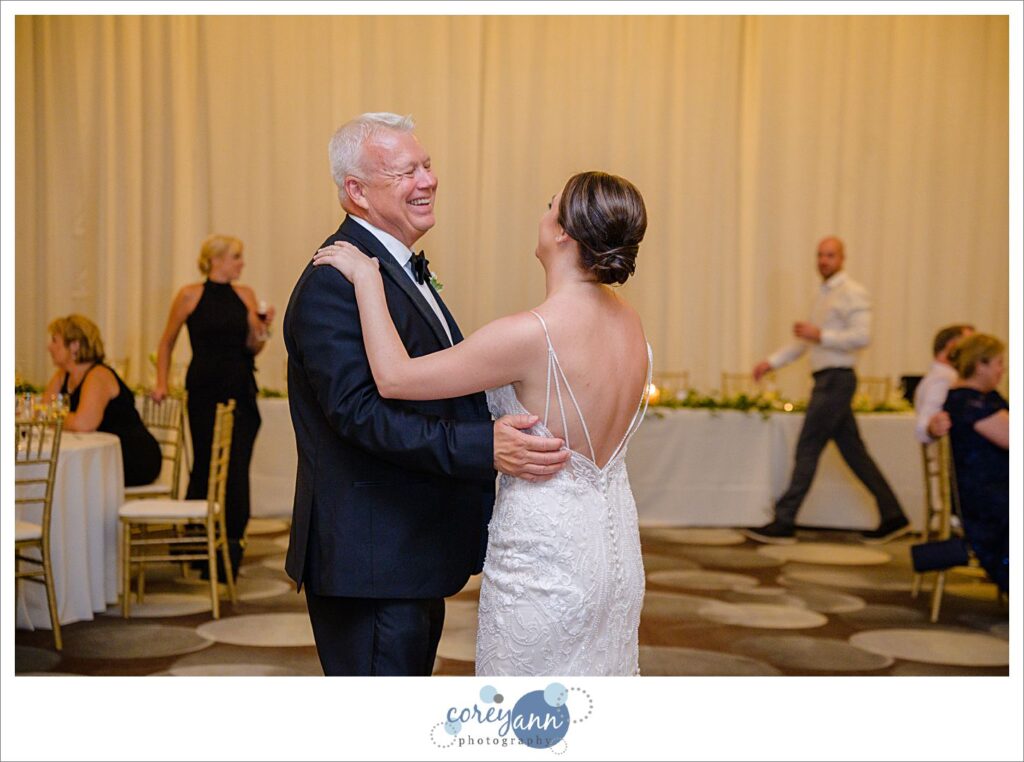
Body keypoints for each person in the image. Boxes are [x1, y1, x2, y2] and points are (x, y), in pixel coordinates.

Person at [314, 168, 651, 676]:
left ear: (562, 232)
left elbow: (394, 378)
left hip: (544, 556)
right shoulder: (628, 319)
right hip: (612, 547)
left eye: (548, 204)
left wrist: (367, 278)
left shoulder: (528, 334)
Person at [283, 112, 576, 677]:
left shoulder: (388, 269)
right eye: (405, 172)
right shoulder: (333, 281)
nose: (428, 180)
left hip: (403, 551)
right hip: (372, 559)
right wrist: (480, 446)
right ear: (357, 192)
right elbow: (359, 415)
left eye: (428, 165)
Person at [744, 236, 910, 545]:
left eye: (830, 255)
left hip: (837, 380)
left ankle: (785, 520)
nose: (824, 260)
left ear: (842, 258)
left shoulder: (852, 293)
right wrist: (771, 363)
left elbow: (862, 337)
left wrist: (821, 334)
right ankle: (894, 516)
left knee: (808, 447)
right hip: (828, 380)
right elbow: (805, 343)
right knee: (855, 454)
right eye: (820, 255)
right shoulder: (822, 296)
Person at [153, 234, 273, 576]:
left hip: (240, 387)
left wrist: (263, 330)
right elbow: (166, 344)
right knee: (206, 463)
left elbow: (253, 347)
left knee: (236, 468)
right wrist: (161, 382)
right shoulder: (189, 295)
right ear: (216, 259)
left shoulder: (245, 295)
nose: (242, 263)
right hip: (204, 388)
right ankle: (195, 543)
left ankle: (230, 549)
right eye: (236, 256)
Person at [43, 315, 161, 486]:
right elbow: (41, 412)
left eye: (55, 341)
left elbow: (83, 424)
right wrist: (62, 418)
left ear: (75, 345)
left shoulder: (98, 375)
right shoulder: (63, 375)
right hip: (99, 456)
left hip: (130, 456)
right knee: (63, 473)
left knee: (67, 476)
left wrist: (54, 417)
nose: (49, 347)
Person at [943, 333, 1008, 593]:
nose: (1002, 370)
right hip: (984, 494)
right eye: (998, 363)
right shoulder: (967, 401)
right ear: (980, 365)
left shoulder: (986, 398)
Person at [913, 324, 974, 444]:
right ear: (952, 346)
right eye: (970, 345)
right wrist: (932, 428)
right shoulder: (944, 379)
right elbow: (922, 427)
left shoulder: (940, 376)